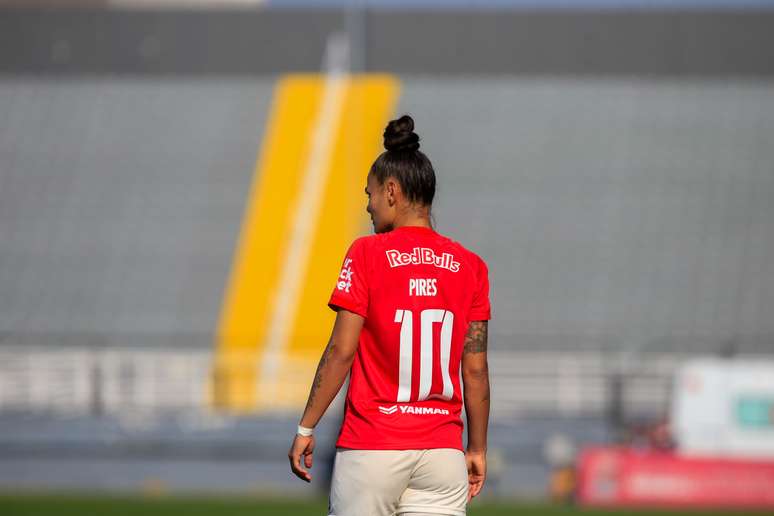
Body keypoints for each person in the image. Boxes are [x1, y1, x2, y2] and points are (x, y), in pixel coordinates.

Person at [288, 114, 492, 516]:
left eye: (371, 194)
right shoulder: (471, 266)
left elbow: (341, 352)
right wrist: (478, 448)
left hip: (372, 447)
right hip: (441, 454)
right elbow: (476, 371)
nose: (368, 205)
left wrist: (306, 426)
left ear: (392, 192)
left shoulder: (366, 254)